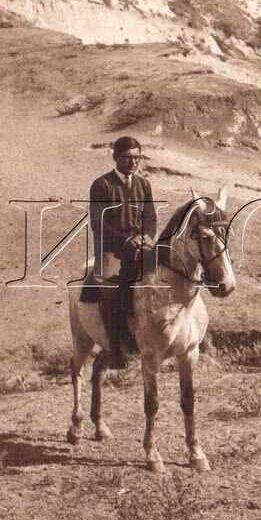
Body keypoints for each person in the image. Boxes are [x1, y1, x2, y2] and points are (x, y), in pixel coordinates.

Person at [88, 136, 158, 369]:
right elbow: (98, 223)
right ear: (115, 157)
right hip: (112, 250)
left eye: (136, 157)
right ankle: (116, 351)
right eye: (127, 158)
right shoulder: (102, 185)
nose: (133, 162)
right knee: (109, 290)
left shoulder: (143, 184)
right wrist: (125, 240)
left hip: (140, 246)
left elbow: (150, 217)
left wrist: (148, 235)